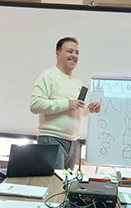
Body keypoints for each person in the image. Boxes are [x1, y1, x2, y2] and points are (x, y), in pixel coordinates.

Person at [29, 37, 101, 169]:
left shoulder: (77, 81)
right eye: (70, 51)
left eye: (77, 52)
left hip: (73, 142)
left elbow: (75, 109)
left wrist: (89, 109)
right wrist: (67, 104)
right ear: (58, 53)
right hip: (52, 139)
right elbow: (35, 105)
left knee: (66, 181)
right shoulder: (48, 76)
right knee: (54, 181)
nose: (74, 55)